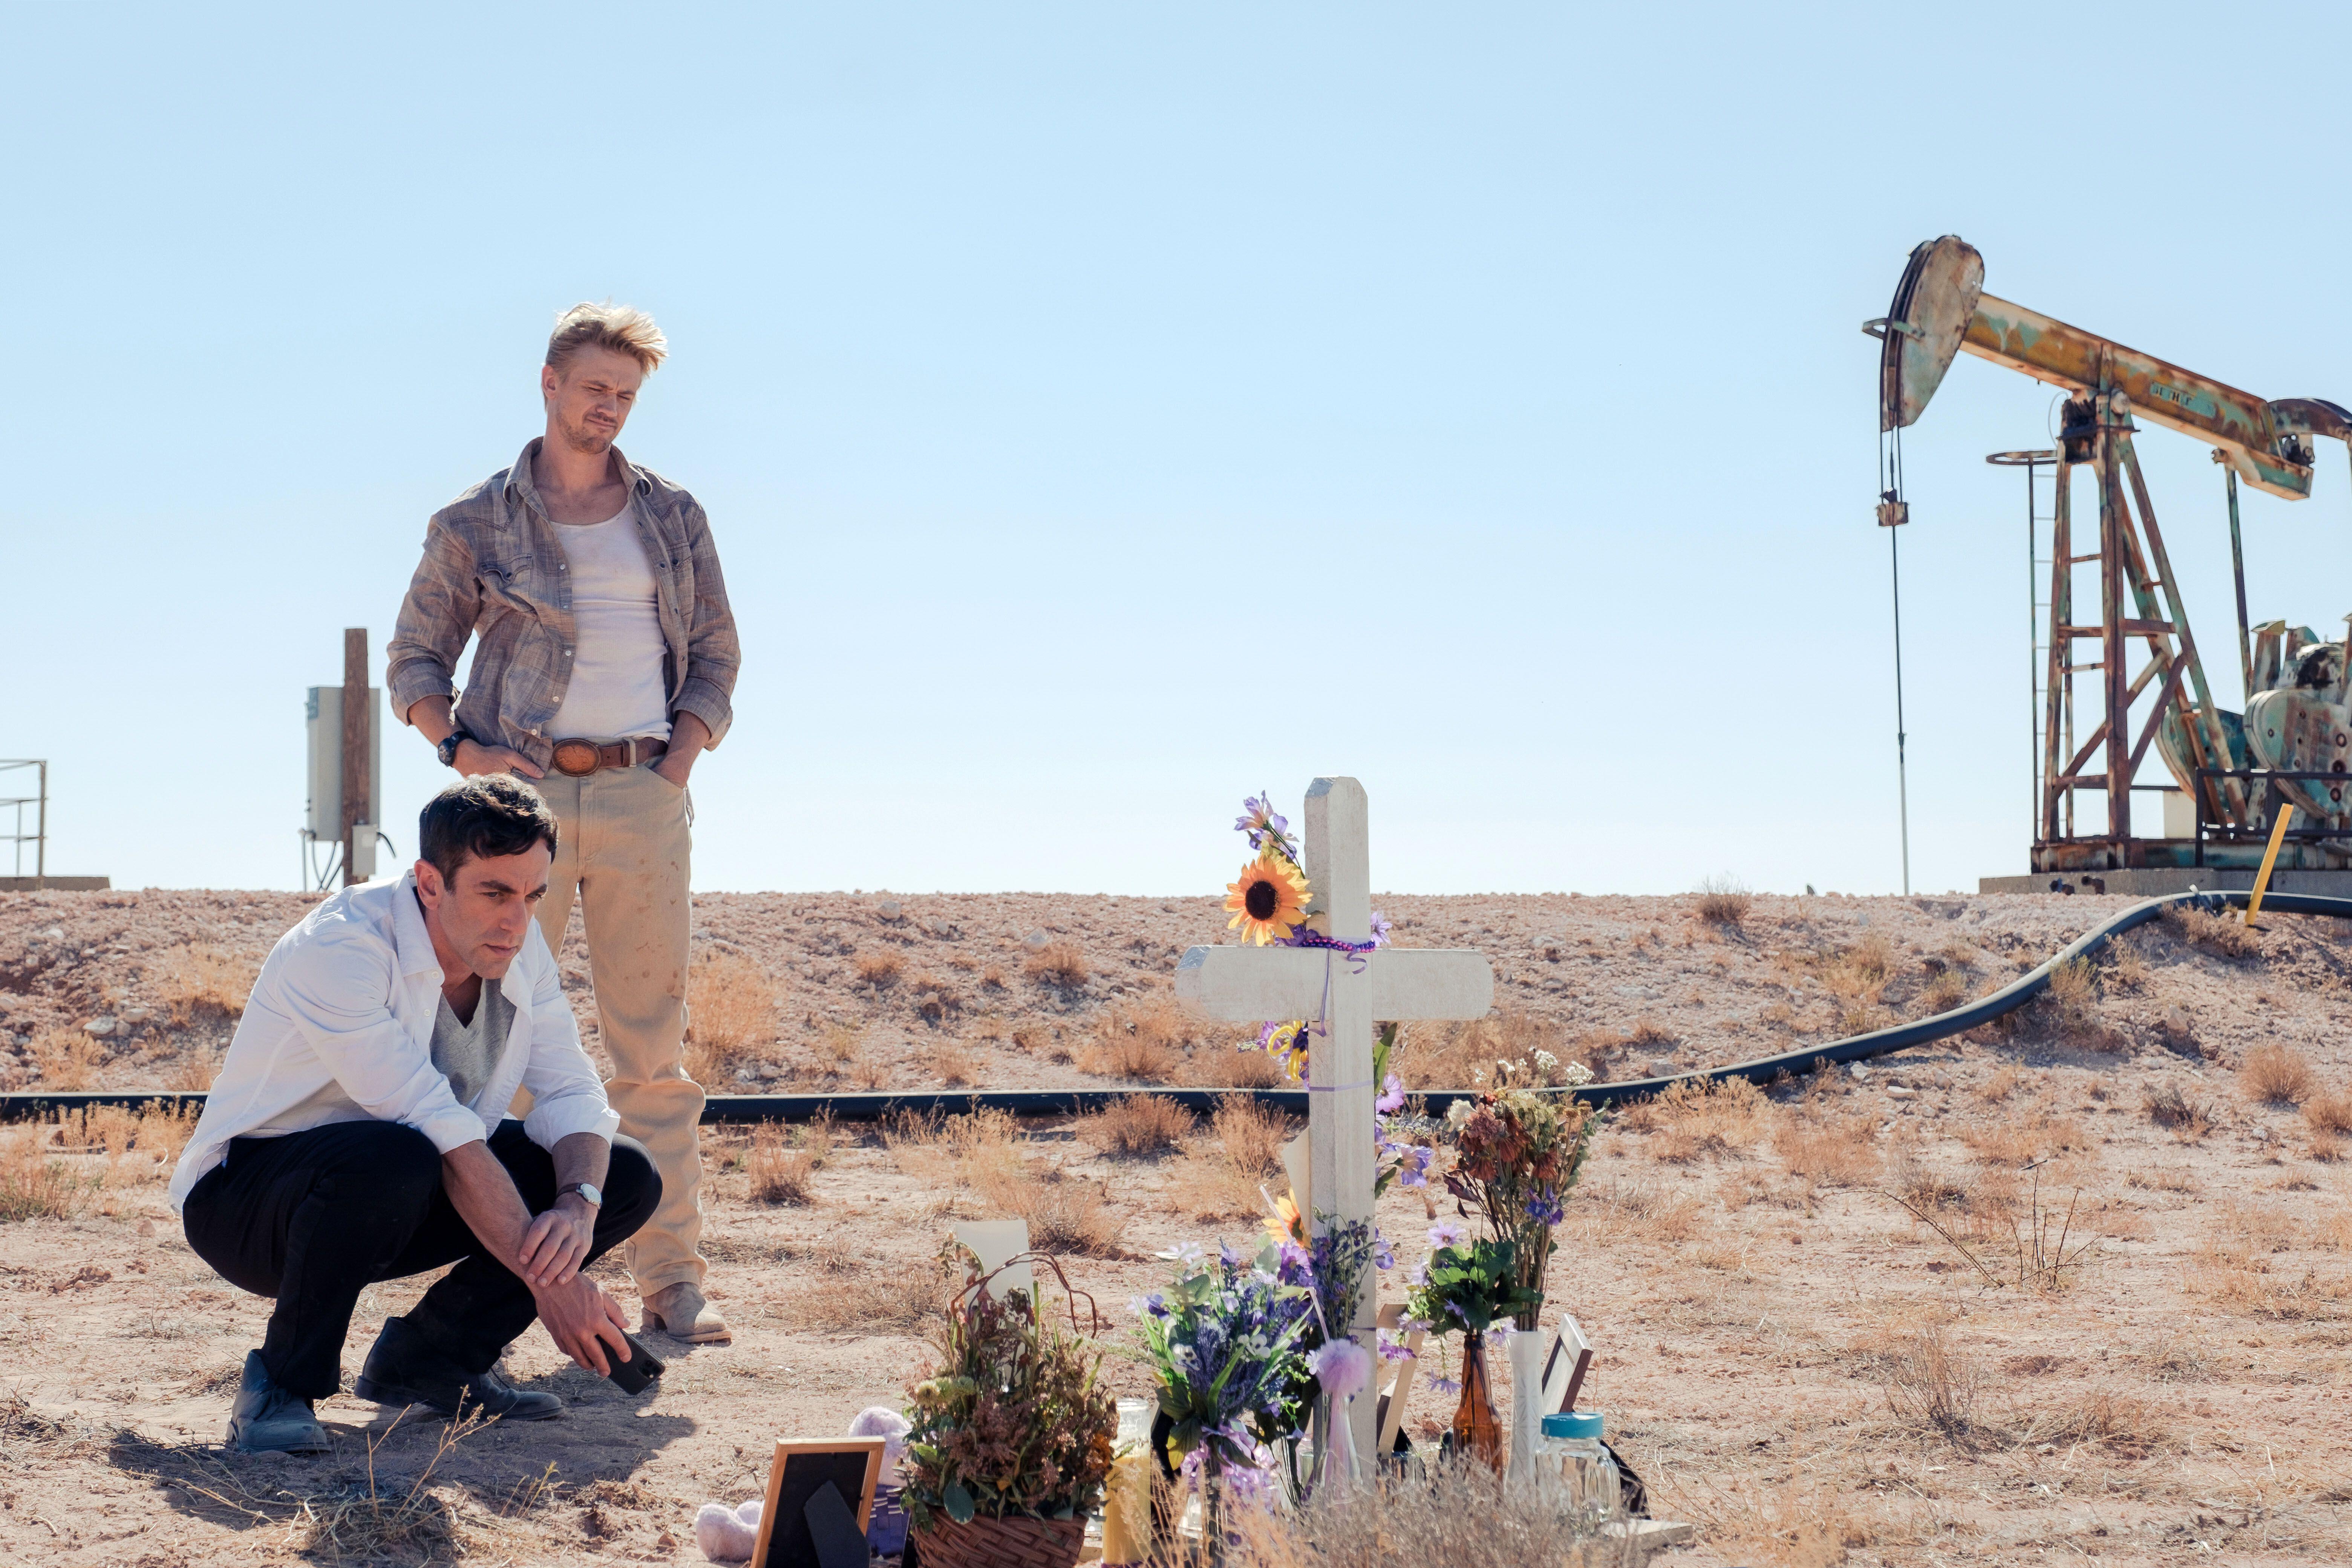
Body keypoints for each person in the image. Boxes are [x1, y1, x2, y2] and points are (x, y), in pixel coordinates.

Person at [386, 302, 740, 1343]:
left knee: (651, 1054)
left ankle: (674, 1280)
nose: (610, 411)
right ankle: (504, 1292)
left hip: (642, 793)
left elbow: (717, 652)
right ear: (549, 383)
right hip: (512, 813)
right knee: (487, 1054)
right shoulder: (475, 523)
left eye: (626, 397)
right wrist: (460, 751)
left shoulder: (672, 515)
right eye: (595, 390)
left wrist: (681, 756)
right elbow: (415, 658)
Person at [169, 776, 660, 1454]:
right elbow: (438, 1127)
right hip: (252, 1202)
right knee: (397, 1154)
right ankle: (281, 1385)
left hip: (408, 1184)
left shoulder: (518, 946)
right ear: (430, 883)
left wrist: (576, 1209)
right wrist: (556, 1281)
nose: (517, 921)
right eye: (495, 893)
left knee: (623, 1172)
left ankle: (431, 1359)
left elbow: (574, 1093)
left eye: (533, 895)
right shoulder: (341, 949)